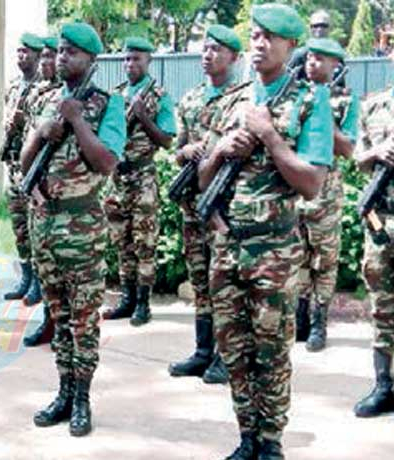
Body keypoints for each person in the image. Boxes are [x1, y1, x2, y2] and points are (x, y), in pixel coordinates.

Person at [197, 4, 333, 458]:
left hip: (274, 251)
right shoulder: (233, 99)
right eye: (254, 36)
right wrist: (218, 150)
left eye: (269, 38)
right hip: (228, 246)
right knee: (234, 350)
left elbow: (312, 183)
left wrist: (270, 137)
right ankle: (247, 437)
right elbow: (202, 183)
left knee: (271, 354)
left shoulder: (310, 102)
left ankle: (271, 443)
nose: (258, 44)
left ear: (290, 45)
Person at [20, 22, 126, 437]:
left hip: (82, 226)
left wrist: (78, 121)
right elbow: (26, 161)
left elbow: (106, 162)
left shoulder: (107, 104)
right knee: (59, 315)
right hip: (45, 224)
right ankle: (63, 391)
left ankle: (82, 398)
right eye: (60, 50)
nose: (62, 58)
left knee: (83, 319)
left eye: (72, 52)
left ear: (91, 60)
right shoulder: (46, 100)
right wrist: (42, 133)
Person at [167, 25, 242, 385]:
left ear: (234, 57)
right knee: (199, 277)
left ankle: (226, 357)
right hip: (193, 205)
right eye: (205, 48)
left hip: (225, 209)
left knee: (224, 283)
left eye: (216, 49)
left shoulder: (243, 100)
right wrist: (187, 152)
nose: (207, 54)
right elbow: (176, 150)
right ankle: (202, 351)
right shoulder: (191, 99)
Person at [103, 36, 176, 326]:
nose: (130, 64)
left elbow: (167, 140)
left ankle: (144, 304)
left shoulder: (159, 96)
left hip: (143, 176)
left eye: (137, 59)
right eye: (127, 58)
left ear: (148, 61)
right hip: (118, 177)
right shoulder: (116, 95)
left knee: (144, 241)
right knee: (122, 241)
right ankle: (127, 298)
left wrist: (144, 117)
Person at [296, 38, 359, 353]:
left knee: (325, 261)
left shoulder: (346, 101)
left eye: (321, 59)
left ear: (337, 66)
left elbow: (348, 149)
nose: (312, 63)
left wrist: (322, 113)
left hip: (327, 194)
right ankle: (300, 321)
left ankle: (319, 324)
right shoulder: (293, 96)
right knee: (298, 258)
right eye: (309, 57)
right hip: (295, 191)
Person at [351, 47, 394, 420]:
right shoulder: (374, 106)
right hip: (382, 222)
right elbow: (356, 159)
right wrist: (378, 151)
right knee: (382, 306)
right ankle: (383, 386)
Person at [22, 34, 61, 348]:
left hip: (64, 193)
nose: (49, 62)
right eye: (45, 56)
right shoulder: (39, 96)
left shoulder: (70, 99)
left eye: (54, 56)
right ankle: (48, 322)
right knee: (44, 263)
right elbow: (29, 145)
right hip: (36, 186)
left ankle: (61, 327)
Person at [2, 33, 45, 306]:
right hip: (13, 164)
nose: (21, 57)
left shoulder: (43, 88)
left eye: (26, 52)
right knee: (19, 225)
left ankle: (39, 282)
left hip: (32, 166)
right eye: (18, 52)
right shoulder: (14, 86)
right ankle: (26, 277)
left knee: (34, 225)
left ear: (39, 56)